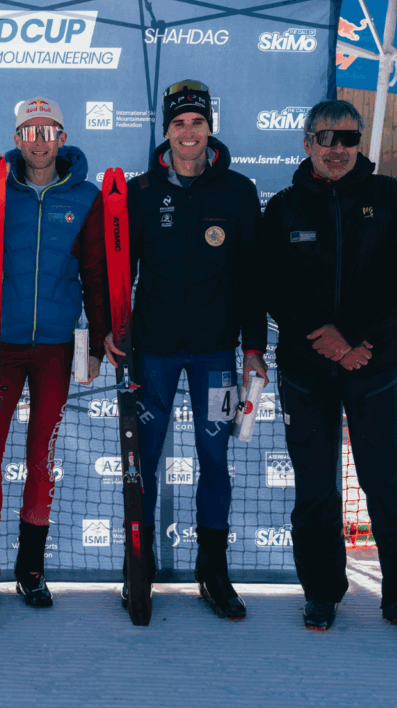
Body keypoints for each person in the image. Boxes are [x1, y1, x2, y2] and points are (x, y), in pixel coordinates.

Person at [260, 99, 397, 646]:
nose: (337, 149)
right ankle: (321, 592)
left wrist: (355, 339)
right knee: (316, 488)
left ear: (360, 143)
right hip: (306, 369)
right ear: (306, 143)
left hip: (373, 365)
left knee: (390, 483)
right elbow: (272, 285)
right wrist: (326, 337)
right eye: (326, 138)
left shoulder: (387, 197)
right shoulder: (284, 207)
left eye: (348, 138)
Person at [104, 80, 267, 620]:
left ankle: (212, 572)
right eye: (179, 123)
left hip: (215, 353)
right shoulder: (140, 191)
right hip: (152, 352)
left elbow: (252, 278)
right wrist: (112, 329)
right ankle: (139, 566)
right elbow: (117, 270)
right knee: (143, 460)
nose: (189, 133)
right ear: (166, 131)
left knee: (215, 459)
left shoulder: (238, 192)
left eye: (197, 122)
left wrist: (253, 348)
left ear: (210, 128)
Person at [0, 96, 107, 616]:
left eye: (48, 131)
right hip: (2, 345)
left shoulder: (85, 196)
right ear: (17, 139)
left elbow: (95, 273)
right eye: (29, 131)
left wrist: (98, 341)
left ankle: (30, 571)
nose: (39, 141)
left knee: (42, 455)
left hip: (56, 347)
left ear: (62, 137)